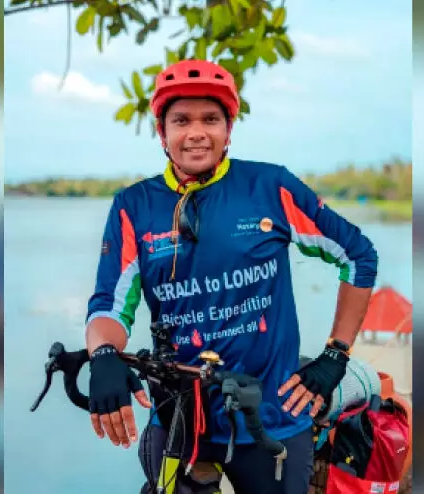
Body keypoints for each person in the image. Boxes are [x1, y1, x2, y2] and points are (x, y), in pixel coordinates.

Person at [84, 59, 378, 494]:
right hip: (179, 417)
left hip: (272, 415)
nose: (196, 132)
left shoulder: (270, 187)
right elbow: (110, 305)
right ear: (162, 132)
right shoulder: (133, 206)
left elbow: (358, 256)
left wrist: (335, 356)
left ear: (229, 129)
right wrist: (104, 355)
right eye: (181, 120)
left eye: (210, 119)